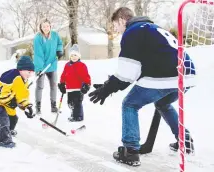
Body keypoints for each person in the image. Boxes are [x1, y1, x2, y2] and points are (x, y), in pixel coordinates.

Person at [88, 7, 195, 166]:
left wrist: (107, 89)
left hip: (165, 77)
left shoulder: (132, 31)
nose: (117, 31)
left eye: (116, 26)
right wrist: (110, 84)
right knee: (162, 103)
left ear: (122, 20)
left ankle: (130, 151)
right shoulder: (154, 28)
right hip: (187, 76)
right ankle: (185, 141)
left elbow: (127, 75)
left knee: (130, 104)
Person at [0, 56, 35, 148]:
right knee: (2, 121)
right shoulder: (15, 78)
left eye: (32, 72)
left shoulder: (20, 77)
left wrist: (26, 106)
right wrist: (17, 102)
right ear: (21, 70)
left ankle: (8, 131)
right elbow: (0, 92)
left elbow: (22, 93)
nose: (30, 74)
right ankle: (3, 141)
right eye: (29, 72)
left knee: (13, 118)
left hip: (6, 103)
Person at [33, 18, 63, 115]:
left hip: (52, 65)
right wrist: (39, 68)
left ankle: (53, 107)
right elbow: (38, 54)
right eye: (43, 26)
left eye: (47, 26)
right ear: (41, 27)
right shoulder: (38, 38)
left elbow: (59, 43)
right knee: (40, 86)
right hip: (41, 66)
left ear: (50, 26)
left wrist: (59, 51)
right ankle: (38, 107)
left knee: (53, 86)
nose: (46, 28)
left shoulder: (55, 35)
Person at [58, 44, 91, 122]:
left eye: (75, 55)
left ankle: (79, 116)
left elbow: (86, 76)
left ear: (79, 56)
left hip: (78, 89)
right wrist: (62, 84)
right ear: (70, 57)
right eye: (72, 55)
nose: (74, 57)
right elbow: (63, 75)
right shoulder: (67, 65)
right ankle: (73, 115)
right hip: (69, 89)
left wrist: (86, 84)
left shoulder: (82, 65)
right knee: (70, 103)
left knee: (77, 103)